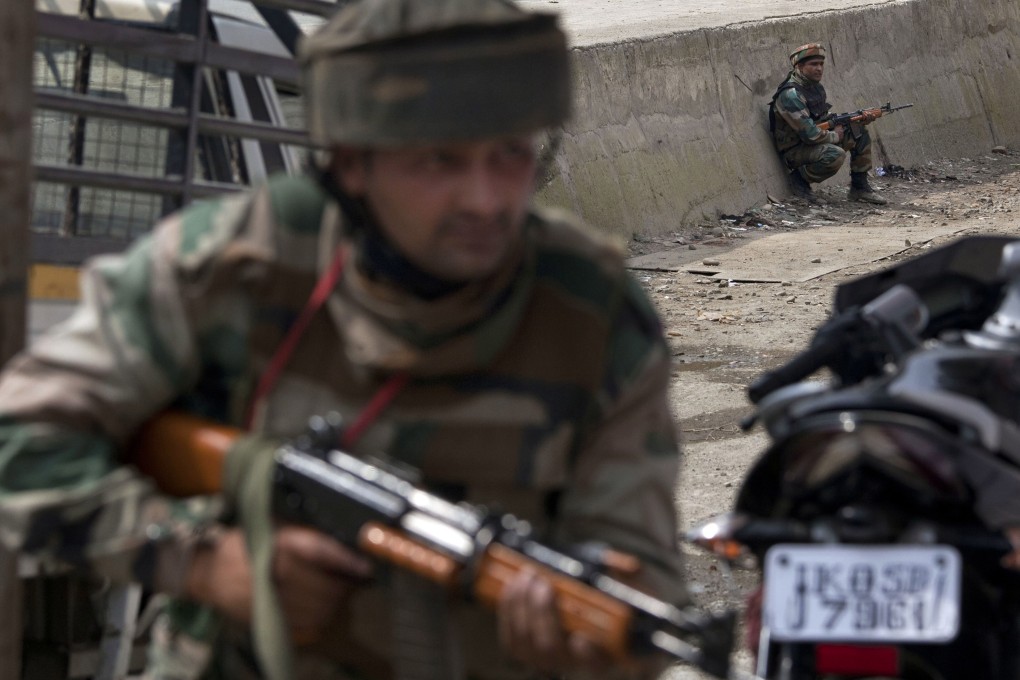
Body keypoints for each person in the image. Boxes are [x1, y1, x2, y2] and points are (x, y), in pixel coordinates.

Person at [0, 0, 688, 678]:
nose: (484, 199)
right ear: (353, 165)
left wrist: (599, 651)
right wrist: (203, 562)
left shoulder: (591, 310)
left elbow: (640, 574)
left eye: (509, 154)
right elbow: (20, 437)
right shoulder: (239, 262)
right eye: (438, 160)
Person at [769, 42, 888, 205]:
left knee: (858, 132)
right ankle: (799, 182)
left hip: (812, 142)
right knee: (835, 154)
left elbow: (822, 119)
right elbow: (810, 134)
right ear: (799, 66)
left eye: (821, 64)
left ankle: (859, 188)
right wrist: (835, 135)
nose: (819, 68)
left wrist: (856, 119)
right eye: (813, 64)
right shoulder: (791, 96)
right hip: (795, 150)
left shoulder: (815, 88)